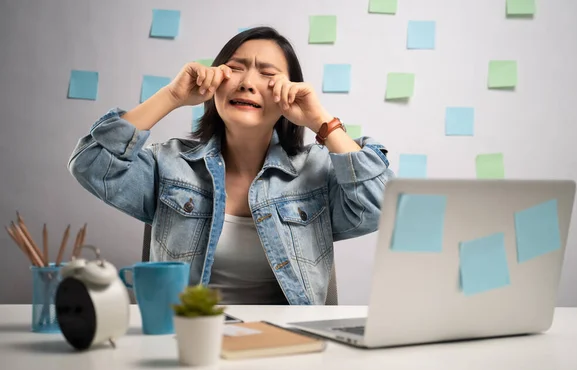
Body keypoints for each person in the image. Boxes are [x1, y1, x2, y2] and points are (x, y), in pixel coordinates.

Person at [67, 26, 394, 306]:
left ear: (289, 94)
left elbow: (383, 204)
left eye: (268, 75)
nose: (248, 82)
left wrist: (320, 120)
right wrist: (172, 96)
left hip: (287, 349)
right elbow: (90, 163)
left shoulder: (316, 173)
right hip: (189, 341)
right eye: (235, 69)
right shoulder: (169, 165)